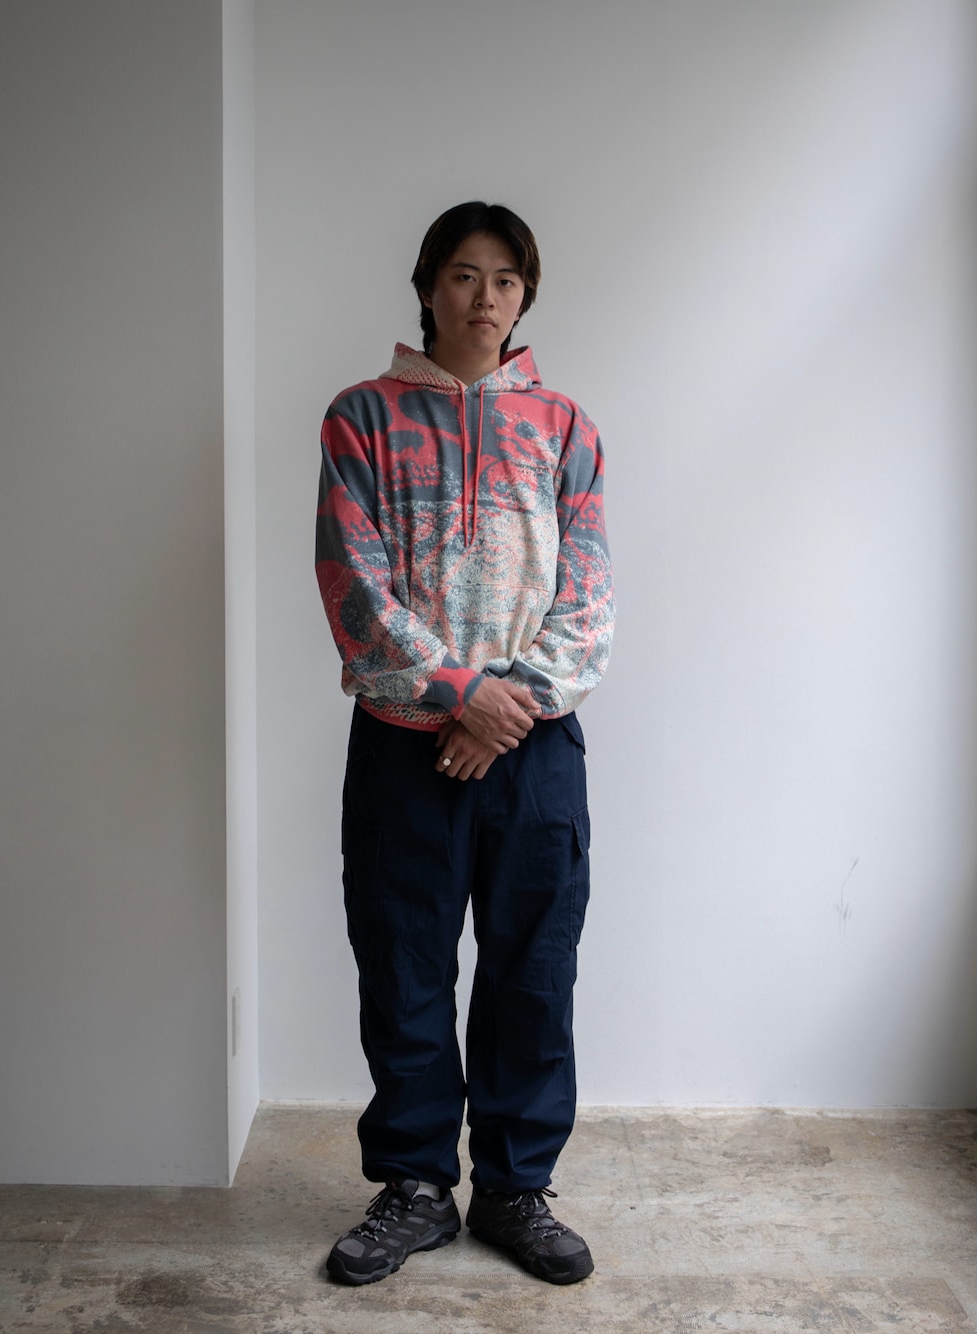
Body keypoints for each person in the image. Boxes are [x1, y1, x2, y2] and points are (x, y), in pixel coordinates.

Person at [315, 201, 614, 1287]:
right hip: (405, 743)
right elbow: (352, 584)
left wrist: (507, 705)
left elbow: (588, 596)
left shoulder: (565, 426)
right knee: (402, 964)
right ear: (427, 286)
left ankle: (515, 1187)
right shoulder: (363, 416)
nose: (483, 297)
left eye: (504, 278)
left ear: (524, 296)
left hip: (534, 748)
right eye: (462, 274)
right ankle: (413, 1186)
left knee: (533, 972)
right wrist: (458, 696)